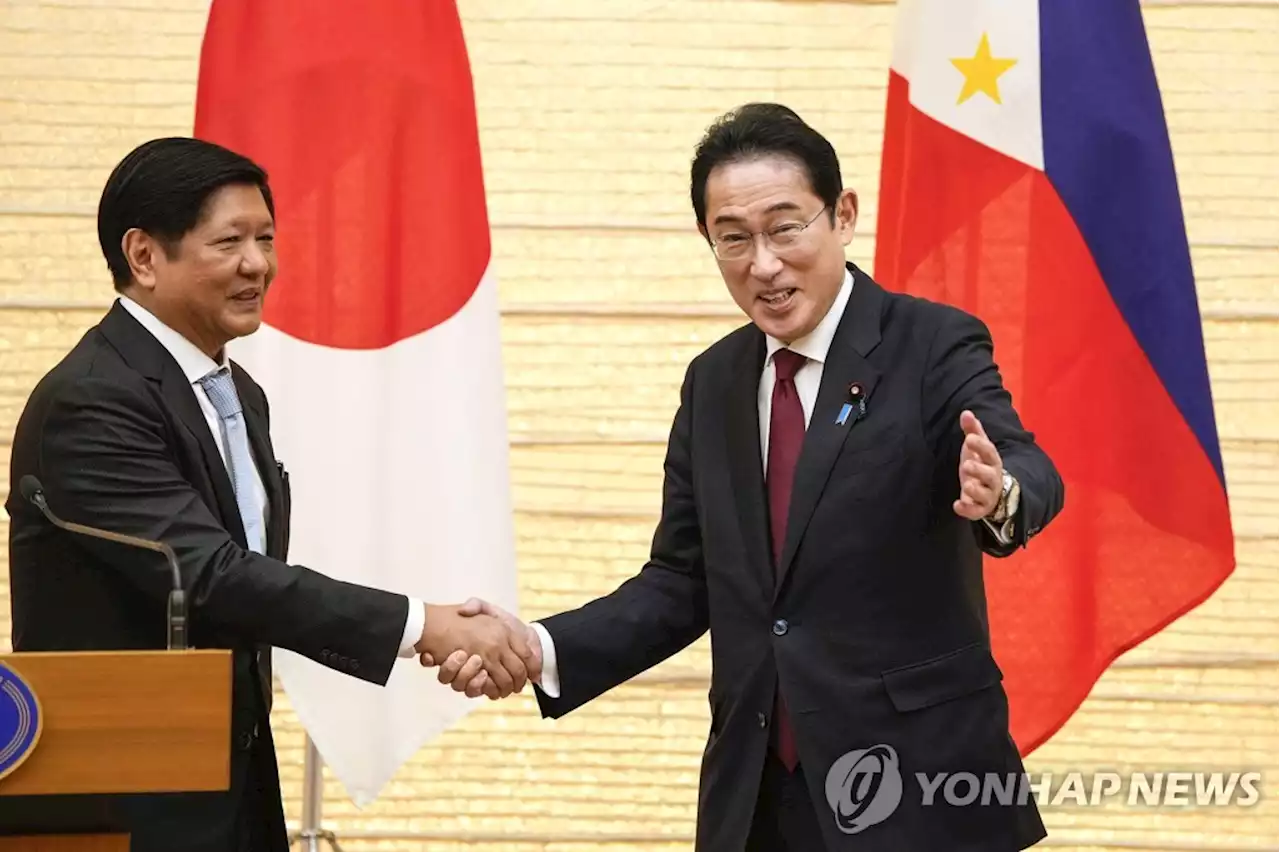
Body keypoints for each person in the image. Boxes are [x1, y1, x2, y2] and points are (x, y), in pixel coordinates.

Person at [428, 104, 1065, 850]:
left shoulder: (930, 344)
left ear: (843, 215)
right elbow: (680, 581)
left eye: (785, 227)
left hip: (919, 787)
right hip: (759, 791)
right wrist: (538, 646)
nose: (762, 263)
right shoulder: (715, 382)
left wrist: (1001, 494)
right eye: (733, 238)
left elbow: (1028, 464)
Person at [4, 137, 538, 852]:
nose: (259, 264)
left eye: (266, 238)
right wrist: (425, 626)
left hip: (229, 780)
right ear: (143, 257)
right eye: (230, 242)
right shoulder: (95, 400)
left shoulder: (236, 393)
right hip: (125, 803)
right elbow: (213, 575)